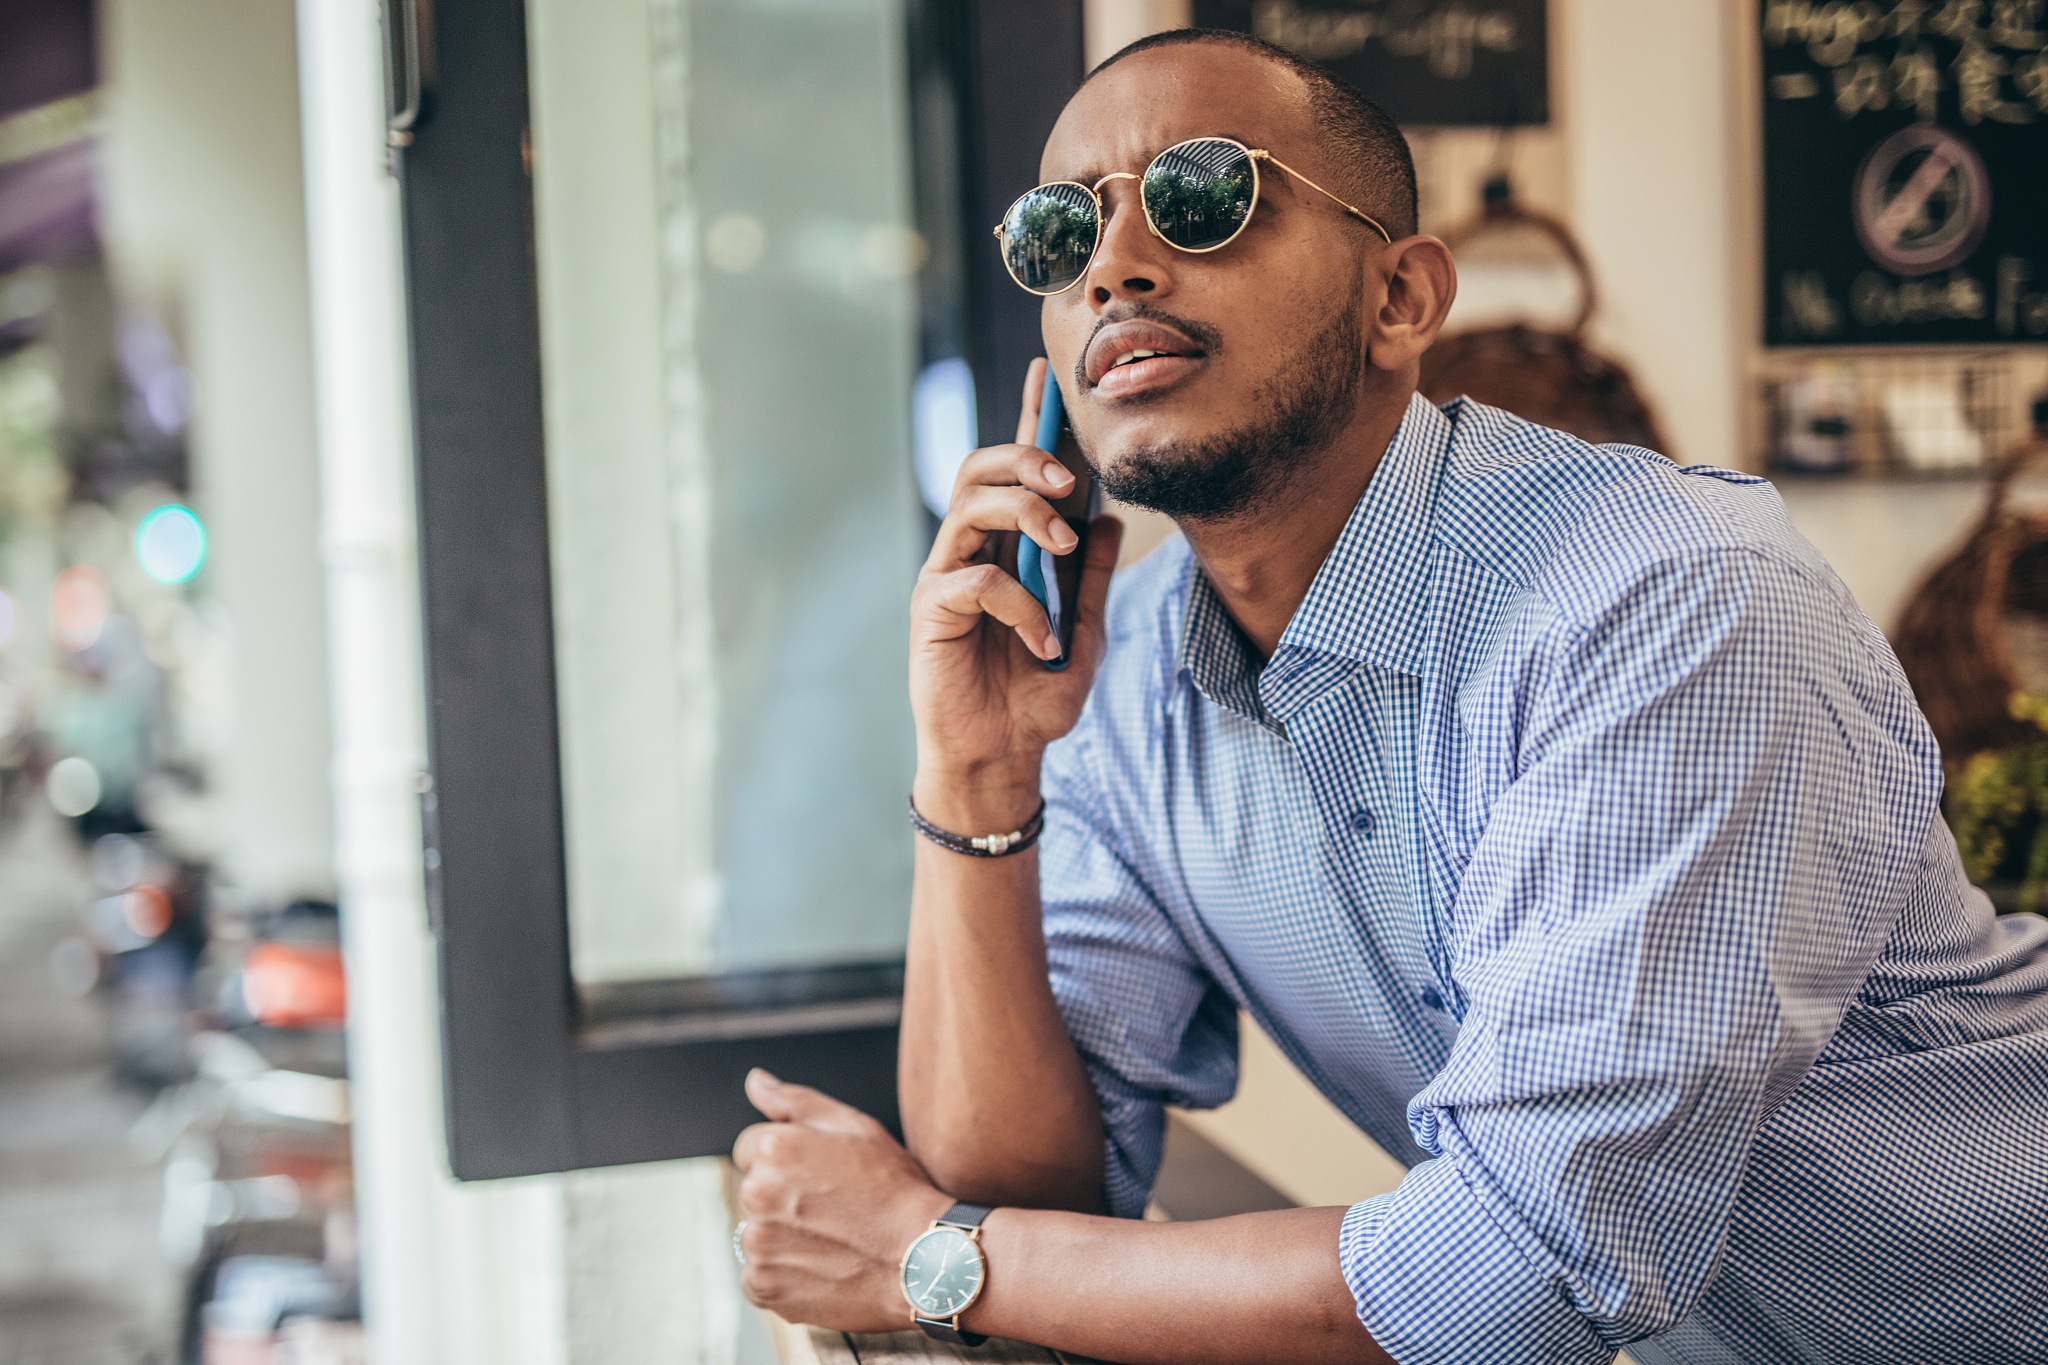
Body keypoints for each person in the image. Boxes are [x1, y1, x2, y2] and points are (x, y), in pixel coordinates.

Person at [730, 29, 2048, 1365]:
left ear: (1401, 300)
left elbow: (1511, 1277)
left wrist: (927, 1255)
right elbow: (1045, 1194)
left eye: (1202, 195)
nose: (1115, 266)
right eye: (1058, 237)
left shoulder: (1670, 605)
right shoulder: (1111, 672)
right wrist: (977, 780)